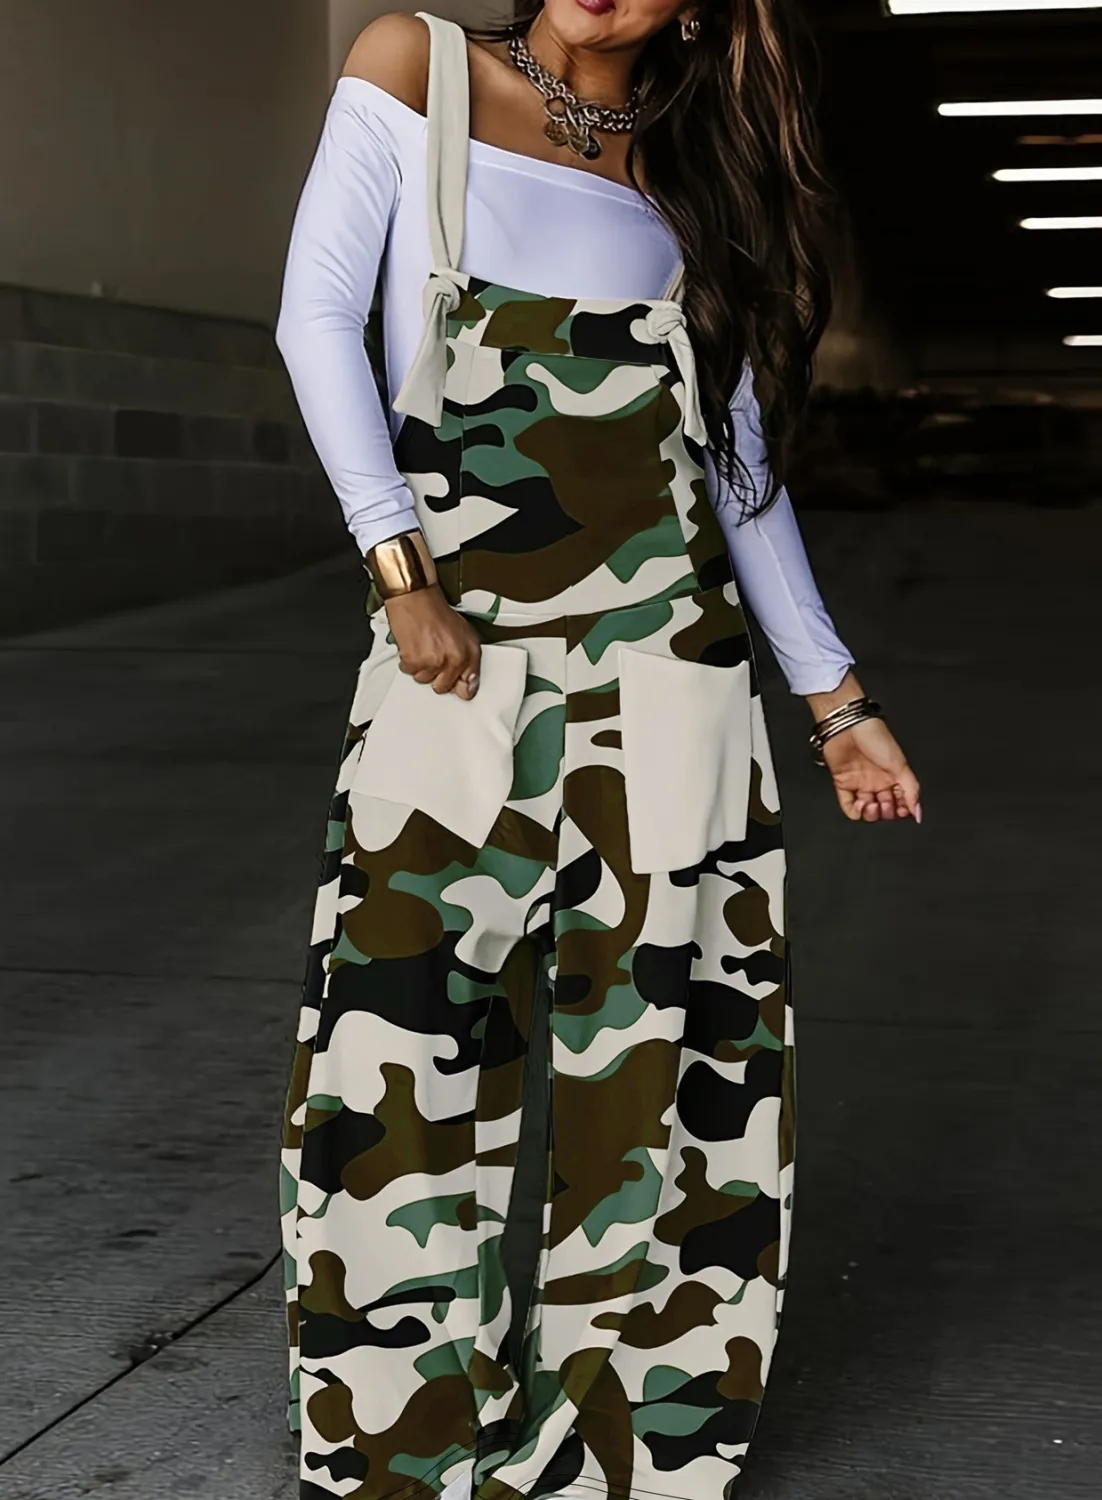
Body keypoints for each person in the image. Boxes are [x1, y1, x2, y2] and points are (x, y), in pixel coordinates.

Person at [275, 6, 922, 1499]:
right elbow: (316, 321)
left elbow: (738, 469)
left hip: (672, 672)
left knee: (672, 1058)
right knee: (397, 1041)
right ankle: (400, 1445)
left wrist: (836, 705)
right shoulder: (415, 67)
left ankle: (626, 1446)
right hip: (452, 659)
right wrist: (398, 570)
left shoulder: (694, 170)